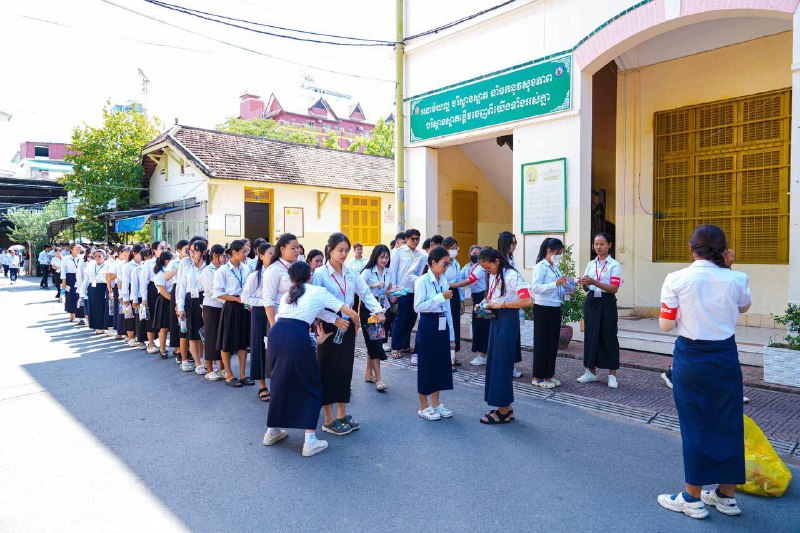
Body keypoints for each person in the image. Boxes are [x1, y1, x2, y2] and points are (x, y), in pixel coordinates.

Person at [656, 225, 751, 520]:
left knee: (695, 424)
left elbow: (666, 325)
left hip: (692, 357)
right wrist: (728, 267)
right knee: (728, 422)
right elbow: (744, 307)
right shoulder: (737, 278)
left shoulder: (676, 279)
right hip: (725, 356)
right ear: (724, 251)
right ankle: (726, 495)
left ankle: (692, 498)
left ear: (691, 248)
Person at [262, 261, 361, 457]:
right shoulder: (318, 291)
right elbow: (350, 312)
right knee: (312, 385)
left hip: (277, 335)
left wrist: (334, 320)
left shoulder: (288, 295)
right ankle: (309, 441)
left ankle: (272, 431)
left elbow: (316, 310)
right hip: (296, 337)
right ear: (310, 275)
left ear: (291, 278)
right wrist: (356, 326)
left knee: (280, 382)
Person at [313, 232, 385, 436]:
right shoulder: (320, 274)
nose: (344, 254)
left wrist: (378, 310)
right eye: (340, 250)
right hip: (329, 324)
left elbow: (365, 293)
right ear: (330, 250)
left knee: (345, 369)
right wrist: (333, 319)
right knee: (327, 369)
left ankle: (342, 413)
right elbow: (315, 304)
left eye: (346, 250)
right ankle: (328, 418)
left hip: (349, 323)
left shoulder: (352, 272)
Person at [477, 247, 532, 424]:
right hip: (495, 319)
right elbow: (493, 296)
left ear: (497, 261)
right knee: (495, 364)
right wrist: (482, 304)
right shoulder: (494, 275)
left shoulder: (511, 276)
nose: (487, 272)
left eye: (488, 268)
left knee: (501, 364)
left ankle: (502, 411)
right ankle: (506, 408)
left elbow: (527, 300)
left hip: (507, 320)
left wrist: (502, 305)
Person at [413, 247, 456, 420]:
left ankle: (436, 404)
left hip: (442, 323)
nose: (446, 267)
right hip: (428, 323)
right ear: (433, 263)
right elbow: (418, 306)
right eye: (444, 264)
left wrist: (452, 335)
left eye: (448, 264)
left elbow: (448, 311)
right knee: (426, 364)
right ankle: (423, 406)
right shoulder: (422, 281)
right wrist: (440, 297)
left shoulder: (443, 280)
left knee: (440, 363)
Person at [577, 233, 622, 388]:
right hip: (592, 301)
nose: (598, 247)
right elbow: (587, 287)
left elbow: (614, 288)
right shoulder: (591, 264)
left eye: (602, 244)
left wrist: (594, 281)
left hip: (607, 302)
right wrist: (583, 283)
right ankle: (590, 371)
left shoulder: (614, 265)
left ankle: (612, 374)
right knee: (590, 334)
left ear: (609, 245)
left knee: (609, 334)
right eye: (595, 244)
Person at [261, 233, 301, 402]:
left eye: (298, 247)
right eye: (293, 248)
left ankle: (293, 392)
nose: (297, 251)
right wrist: (274, 326)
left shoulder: (298, 267)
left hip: (298, 319)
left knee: (295, 358)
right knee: (280, 361)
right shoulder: (274, 270)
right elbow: (268, 301)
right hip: (280, 321)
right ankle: (278, 395)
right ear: (282, 249)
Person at [213, 240, 252, 387]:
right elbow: (218, 293)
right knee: (226, 342)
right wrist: (237, 299)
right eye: (244, 251)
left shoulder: (246, 269)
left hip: (244, 306)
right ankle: (229, 375)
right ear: (234, 253)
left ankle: (242, 374)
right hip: (231, 306)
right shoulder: (222, 271)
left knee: (243, 342)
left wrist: (247, 302)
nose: (246, 254)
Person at [530, 238, 567, 388]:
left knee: (552, 343)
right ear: (550, 250)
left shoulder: (554, 267)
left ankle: (549, 374)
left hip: (555, 307)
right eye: (559, 253)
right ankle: (538, 376)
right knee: (542, 343)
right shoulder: (541, 267)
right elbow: (536, 288)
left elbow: (558, 288)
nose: (559, 256)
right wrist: (555, 284)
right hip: (543, 308)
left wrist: (566, 288)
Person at [241, 242, 274, 400]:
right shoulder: (255, 276)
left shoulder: (279, 273)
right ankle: (262, 385)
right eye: (269, 254)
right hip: (260, 314)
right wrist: (264, 302)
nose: (273, 257)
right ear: (260, 256)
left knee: (276, 349)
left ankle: (277, 384)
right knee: (260, 347)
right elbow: (245, 297)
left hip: (276, 313)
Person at [359, 244, 394, 391]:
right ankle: (379, 379)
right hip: (369, 310)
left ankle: (368, 374)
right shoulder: (367, 271)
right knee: (375, 342)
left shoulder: (388, 272)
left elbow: (386, 291)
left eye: (386, 257)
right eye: (382, 257)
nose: (384, 260)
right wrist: (375, 285)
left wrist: (392, 291)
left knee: (374, 341)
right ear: (376, 257)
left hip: (382, 309)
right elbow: (359, 288)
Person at [388, 228, 425, 359]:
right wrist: (394, 292)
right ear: (407, 239)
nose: (415, 241)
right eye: (413, 239)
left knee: (411, 319)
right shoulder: (399, 252)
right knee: (400, 319)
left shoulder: (421, 255)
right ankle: (395, 347)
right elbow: (392, 272)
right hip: (402, 291)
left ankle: (404, 345)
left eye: (417, 239)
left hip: (416, 291)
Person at [175, 240, 208, 374]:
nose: (191, 254)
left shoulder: (209, 266)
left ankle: (205, 360)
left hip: (205, 300)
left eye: (195, 251)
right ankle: (198, 363)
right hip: (190, 301)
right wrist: (180, 306)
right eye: (190, 251)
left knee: (205, 333)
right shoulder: (187, 266)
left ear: (204, 252)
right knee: (193, 333)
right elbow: (181, 287)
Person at [442, 237, 470, 368]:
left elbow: (459, 282)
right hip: (443, 294)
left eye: (455, 248)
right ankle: (444, 354)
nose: (454, 250)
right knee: (445, 324)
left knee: (455, 324)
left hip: (455, 295)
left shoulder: (457, 263)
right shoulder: (442, 262)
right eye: (451, 248)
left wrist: (462, 300)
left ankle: (453, 353)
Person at [201, 244, 226, 380]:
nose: (225, 259)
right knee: (211, 338)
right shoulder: (207, 271)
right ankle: (209, 369)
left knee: (222, 337)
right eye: (223, 256)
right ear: (215, 255)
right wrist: (229, 301)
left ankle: (222, 368)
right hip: (211, 307)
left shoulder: (224, 269)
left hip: (224, 306)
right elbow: (213, 291)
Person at [463, 245, 490, 366]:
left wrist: (452, 285)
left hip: (482, 298)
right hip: (476, 299)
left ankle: (483, 355)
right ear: (469, 254)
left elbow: (469, 281)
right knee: (477, 325)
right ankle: (481, 354)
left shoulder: (481, 268)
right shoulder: (468, 267)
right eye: (474, 253)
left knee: (483, 326)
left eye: (479, 254)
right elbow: (460, 276)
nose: (476, 256)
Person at [142, 241, 166, 354]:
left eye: (165, 248)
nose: (164, 250)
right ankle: (151, 343)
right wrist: (144, 298)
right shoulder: (148, 263)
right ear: (154, 250)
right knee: (151, 316)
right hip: (153, 289)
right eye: (161, 248)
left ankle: (162, 341)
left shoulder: (169, 261)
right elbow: (144, 281)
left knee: (163, 316)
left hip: (165, 289)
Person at [80, 249, 110, 335]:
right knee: (93, 307)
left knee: (103, 307)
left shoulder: (108, 265)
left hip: (103, 287)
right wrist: (82, 292)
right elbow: (86, 279)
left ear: (104, 257)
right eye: (95, 256)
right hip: (92, 287)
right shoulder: (91, 265)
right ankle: (96, 326)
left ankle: (104, 326)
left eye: (99, 256)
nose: (97, 258)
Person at [152, 251, 174, 358]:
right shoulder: (160, 274)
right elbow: (163, 291)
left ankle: (177, 349)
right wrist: (173, 301)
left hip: (173, 299)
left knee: (175, 326)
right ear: (167, 261)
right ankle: (162, 349)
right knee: (164, 327)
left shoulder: (171, 272)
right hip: (165, 301)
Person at [122, 245, 143, 347]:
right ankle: (130, 337)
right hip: (131, 290)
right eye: (140, 253)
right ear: (134, 253)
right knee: (130, 314)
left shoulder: (144, 265)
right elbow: (125, 282)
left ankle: (140, 336)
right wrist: (125, 297)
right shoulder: (128, 266)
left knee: (140, 315)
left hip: (141, 291)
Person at [61, 244, 84, 323]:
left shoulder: (82, 257)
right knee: (71, 296)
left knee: (80, 295)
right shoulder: (66, 258)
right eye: (76, 248)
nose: (78, 250)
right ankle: (72, 314)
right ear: (71, 250)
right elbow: (63, 270)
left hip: (80, 277)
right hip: (70, 277)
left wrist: (82, 248)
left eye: (78, 248)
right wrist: (63, 281)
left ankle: (80, 316)